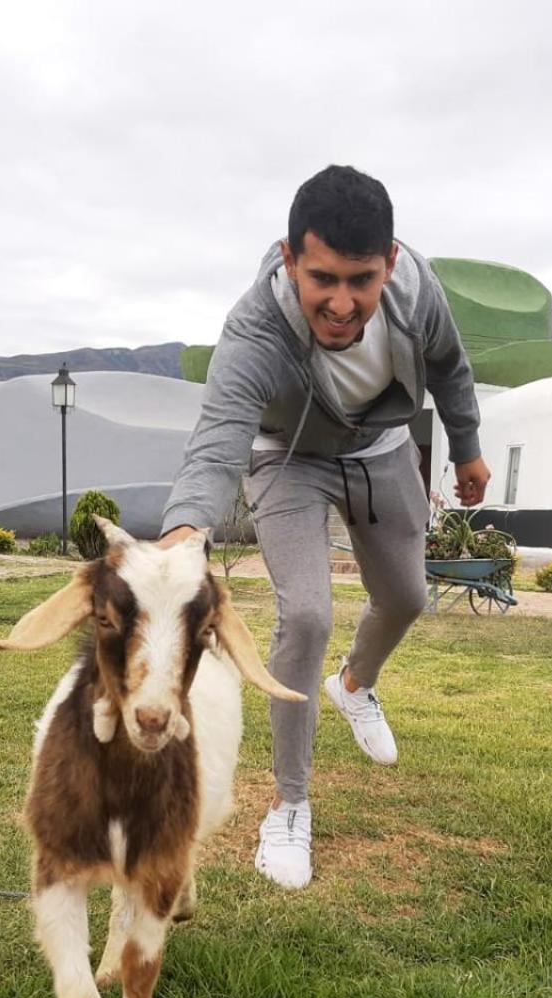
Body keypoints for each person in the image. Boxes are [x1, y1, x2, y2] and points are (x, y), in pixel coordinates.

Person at [159, 164, 489, 889]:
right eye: (322, 279)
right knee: (306, 617)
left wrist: (466, 448)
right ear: (290, 259)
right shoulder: (253, 327)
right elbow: (217, 439)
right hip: (288, 456)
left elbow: (450, 368)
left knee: (406, 597)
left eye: (361, 280)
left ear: (389, 264)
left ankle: (355, 685)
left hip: (382, 449)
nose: (341, 304)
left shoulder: (418, 291)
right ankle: (288, 805)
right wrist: (184, 534)